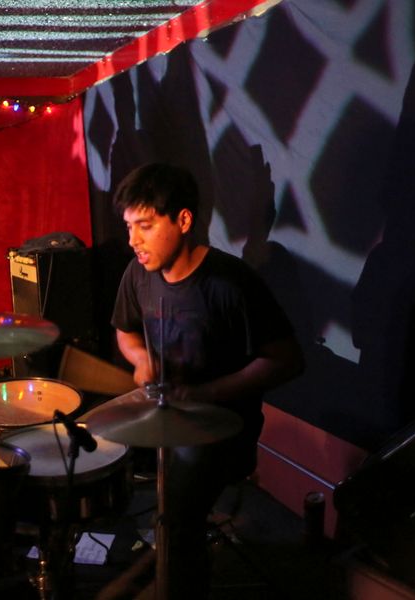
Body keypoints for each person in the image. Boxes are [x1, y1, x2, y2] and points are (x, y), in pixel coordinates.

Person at [111, 163, 304, 598]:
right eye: (128, 227)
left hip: (222, 432)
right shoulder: (138, 274)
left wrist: (206, 392)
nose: (133, 240)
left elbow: (287, 360)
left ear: (183, 220)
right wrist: (141, 358)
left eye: (145, 225)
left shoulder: (231, 283)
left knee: (177, 518)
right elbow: (125, 331)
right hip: (167, 418)